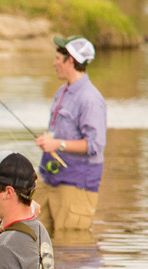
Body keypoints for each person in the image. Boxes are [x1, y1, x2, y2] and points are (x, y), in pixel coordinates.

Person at [33, 35, 107, 235]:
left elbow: (95, 145)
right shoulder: (62, 91)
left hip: (76, 185)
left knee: (70, 248)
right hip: (49, 179)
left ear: (70, 61)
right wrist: (50, 142)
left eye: (58, 58)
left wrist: (57, 144)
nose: (54, 63)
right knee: (34, 236)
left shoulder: (91, 99)